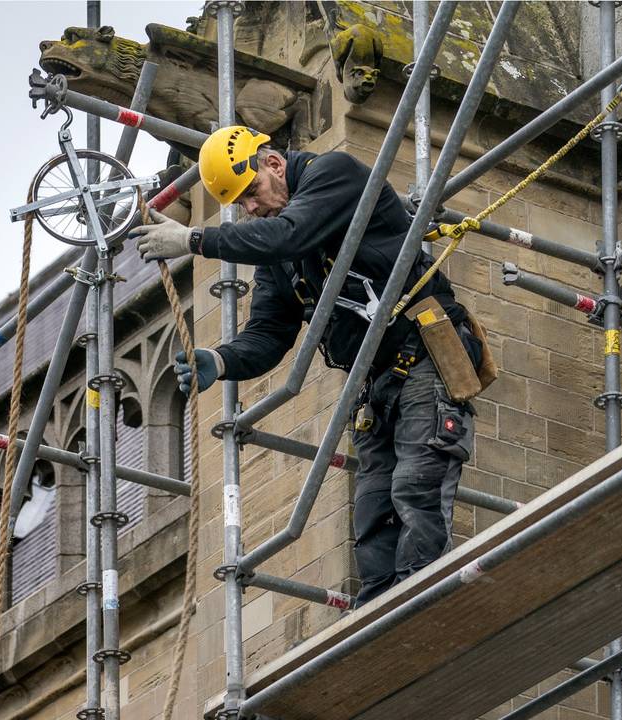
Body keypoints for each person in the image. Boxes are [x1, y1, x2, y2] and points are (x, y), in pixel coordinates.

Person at [129, 126, 483, 605]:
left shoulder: (333, 175)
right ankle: (379, 618)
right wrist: (221, 358)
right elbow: (270, 333)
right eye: (241, 205)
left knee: (415, 489)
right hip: (376, 380)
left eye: (251, 193)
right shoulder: (282, 254)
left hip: (422, 356)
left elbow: (287, 234)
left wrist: (194, 239)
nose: (251, 209)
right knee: (373, 511)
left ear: (274, 164)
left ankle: (421, 609)